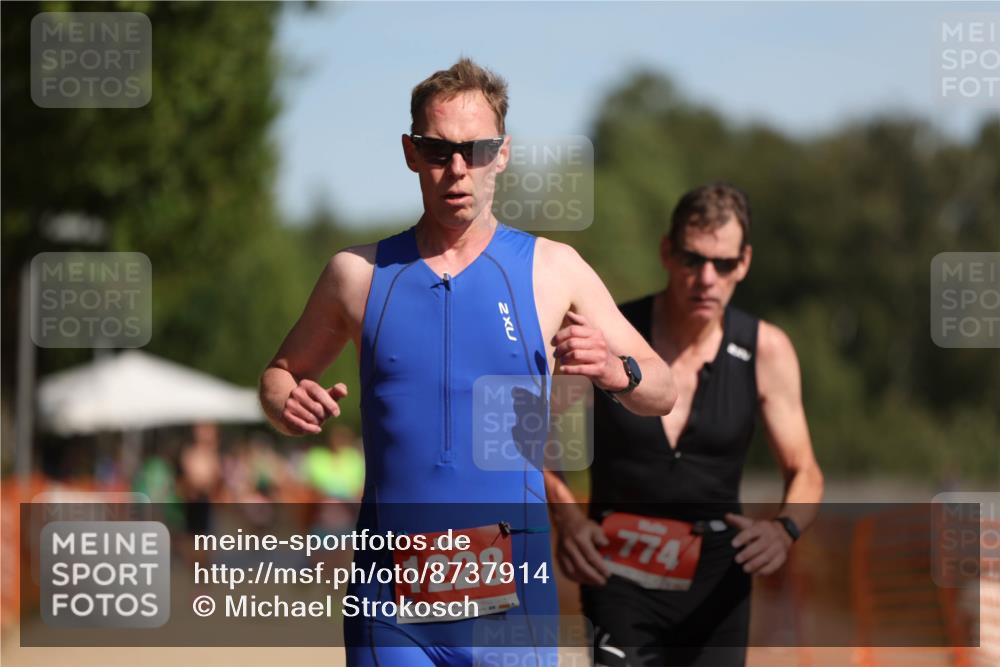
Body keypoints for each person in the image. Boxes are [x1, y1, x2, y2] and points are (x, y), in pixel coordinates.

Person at [259, 58, 676, 667]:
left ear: (502, 155)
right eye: (438, 150)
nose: (458, 169)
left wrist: (618, 372)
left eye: (476, 150)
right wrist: (284, 400)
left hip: (511, 598)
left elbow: (660, 387)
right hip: (389, 600)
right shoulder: (358, 274)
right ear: (410, 151)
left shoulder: (551, 269)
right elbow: (280, 375)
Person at [545, 183, 825, 667]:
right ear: (667, 253)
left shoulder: (767, 350)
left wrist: (783, 530)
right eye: (693, 260)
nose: (706, 278)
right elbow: (530, 430)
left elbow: (806, 470)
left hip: (718, 584)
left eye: (723, 264)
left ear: (745, 263)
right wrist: (566, 517)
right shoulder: (614, 333)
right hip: (619, 574)